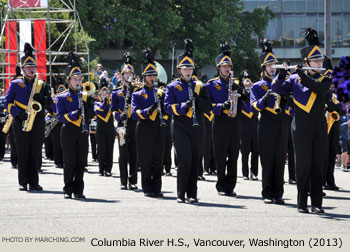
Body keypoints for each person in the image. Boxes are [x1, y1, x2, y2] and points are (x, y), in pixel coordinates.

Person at [272, 28, 331, 214]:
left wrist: (301, 75)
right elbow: (278, 89)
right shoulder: (295, 78)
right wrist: (282, 73)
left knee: (317, 164)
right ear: (307, 62)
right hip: (300, 126)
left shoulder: (325, 78)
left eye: (320, 60)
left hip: (319, 126)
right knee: (302, 164)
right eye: (316, 60)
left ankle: (317, 203)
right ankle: (302, 203)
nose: (320, 63)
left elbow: (319, 90)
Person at [164, 39, 211, 203]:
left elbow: (208, 108)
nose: (188, 70)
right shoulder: (172, 86)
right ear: (179, 70)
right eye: (185, 68)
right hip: (180, 126)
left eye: (190, 67)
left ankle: (192, 193)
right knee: (185, 159)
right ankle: (180, 193)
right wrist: (184, 106)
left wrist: (199, 100)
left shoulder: (200, 86)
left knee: (195, 159)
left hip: (197, 127)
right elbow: (168, 107)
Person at [4, 43, 52, 191]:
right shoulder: (15, 83)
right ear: (23, 69)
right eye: (29, 67)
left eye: (34, 67)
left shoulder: (42, 84)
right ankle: (23, 182)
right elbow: (7, 102)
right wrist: (19, 113)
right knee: (23, 151)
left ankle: (34, 182)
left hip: (37, 120)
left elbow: (51, 104)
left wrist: (42, 98)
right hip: (21, 120)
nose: (32, 69)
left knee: (36, 151)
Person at [250, 38, 288, 205]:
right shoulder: (257, 86)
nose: (273, 67)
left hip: (281, 122)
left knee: (280, 158)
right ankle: (267, 192)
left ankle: (278, 192)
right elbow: (253, 107)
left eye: (275, 64)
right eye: (269, 65)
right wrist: (263, 100)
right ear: (264, 67)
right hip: (266, 122)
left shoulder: (282, 83)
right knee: (267, 158)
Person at [206, 42, 246, 196]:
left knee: (234, 154)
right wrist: (222, 106)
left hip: (235, 122)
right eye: (224, 66)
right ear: (218, 68)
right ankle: (221, 185)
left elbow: (246, 101)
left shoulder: (236, 83)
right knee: (221, 154)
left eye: (229, 66)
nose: (227, 68)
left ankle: (231, 185)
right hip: (220, 122)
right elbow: (209, 106)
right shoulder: (211, 85)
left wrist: (241, 92)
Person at [56, 52, 95, 199]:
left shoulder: (85, 96)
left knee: (81, 161)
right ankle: (67, 189)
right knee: (69, 161)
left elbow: (92, 113)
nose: (78, 82)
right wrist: (75, 114)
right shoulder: (61, 97)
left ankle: (78, 190)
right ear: (69, 80)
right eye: (75, 79)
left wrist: (89, 111)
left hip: (82, 131)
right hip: (69, 131)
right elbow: (60, 117)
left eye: (80, 79)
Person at [131, 48, 168, 197]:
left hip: (159, 127)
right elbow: (134, 114)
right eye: (149, 75)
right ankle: (146, 187)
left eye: (154, 74)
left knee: (158, 159)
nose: (152, 77)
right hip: (144, 128)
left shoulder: (161, 92)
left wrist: (163, 109)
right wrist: (149, 110)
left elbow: (168, 111)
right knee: (146, 159)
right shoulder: (137, 94)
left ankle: (157, 187)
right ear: (144, 77)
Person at [111, 52, 140, 190]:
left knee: (134, 154)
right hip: (122, 125)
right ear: (121, 76)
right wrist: (119, 116)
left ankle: (133, 180)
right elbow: (113, 110)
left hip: (134, 124)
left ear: (133, 75)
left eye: (131, 73)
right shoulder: (116, 92)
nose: (128, 75)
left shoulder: (138, 90)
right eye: (126, 73)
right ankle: (123, 181)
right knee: (123, 155)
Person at [239, 70, 258, 181]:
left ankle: (254, 172)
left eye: (249, 85)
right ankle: (245, 172)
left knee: (255, 151)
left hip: (255, 126)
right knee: (245, 151)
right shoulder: (241, 98)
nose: (248, 87)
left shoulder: (254, 96)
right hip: (244, 127)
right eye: (246, 85)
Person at [94, 86, 115, 177]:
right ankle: (101, 169)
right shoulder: (97, 103)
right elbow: (98, 111)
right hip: (100, 129)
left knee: (110, 149)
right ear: (100, 96)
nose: (105, 96)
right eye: (103, 94)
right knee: (101, 149)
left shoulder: (112, 104)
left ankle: (108, 169)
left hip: (110, 128)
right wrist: (105, 103)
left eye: (107, 94)